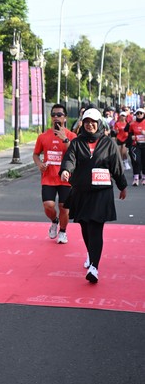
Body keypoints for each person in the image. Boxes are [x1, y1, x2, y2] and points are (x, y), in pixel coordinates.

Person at [60, 108, 127, 283]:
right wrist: (66, 170)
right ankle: (91, 254)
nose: (90, 125)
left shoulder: (108, 143)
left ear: (99, 124)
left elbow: (116, 166)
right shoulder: (77, 142)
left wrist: (122, 186)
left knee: (95, 227)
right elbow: (70, 159)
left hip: (101, 192)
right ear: (83, 123)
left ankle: (94, 267)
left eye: (93, 122)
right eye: (87, 122)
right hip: (81, 191)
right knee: (85, 225)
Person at [32, 104, 76, 244]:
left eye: (59, 115)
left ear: (65, 118)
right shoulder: (43, 136)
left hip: (66, 178)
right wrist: (40, 164)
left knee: (64, 208)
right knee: (49, 205)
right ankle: (54, 221)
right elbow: (35, 154)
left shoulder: (71, 136)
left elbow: (75, 154)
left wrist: (64, 138)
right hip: (48, 177)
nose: (56, 117)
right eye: (53, 115)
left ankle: (62, 231)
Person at [126, 107, 145, 186]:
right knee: (137, 161)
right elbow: (129, 132)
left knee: (144, 161)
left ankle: (144, 178)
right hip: (136, 145)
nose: (139, 115)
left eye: (141, 113)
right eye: (137, 113)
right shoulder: (133, 124)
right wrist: (131, 137)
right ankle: (136, 178)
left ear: (143, 114)